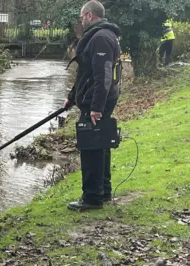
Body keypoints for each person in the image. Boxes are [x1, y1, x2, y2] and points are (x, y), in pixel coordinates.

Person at [63, 0, 122, 211]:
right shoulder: (102, 36)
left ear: (89, 15)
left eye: (81, 17)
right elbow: (84, 73)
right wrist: (71, 98)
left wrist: (96, 107)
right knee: (101, 142)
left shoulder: (101, 38)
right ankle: (103, 191)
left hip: (97, 101)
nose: (81, 21)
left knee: (91, 145)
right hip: (95, 98)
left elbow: (103, 76)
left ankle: (92, 197)